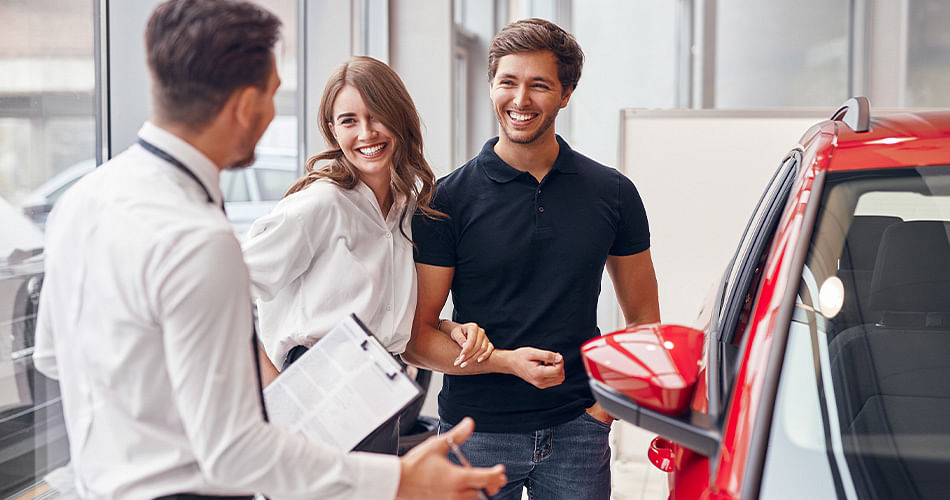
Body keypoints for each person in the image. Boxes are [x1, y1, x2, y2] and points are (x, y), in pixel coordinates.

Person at [32, 1, 505, 499]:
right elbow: (234, 449)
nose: (273, 112)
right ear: (244, 104)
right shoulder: (199, 239)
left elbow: (52, 358)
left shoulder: (80, 199)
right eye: (274, 93)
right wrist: (401, 481)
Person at [404, 18, 660, 500]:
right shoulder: (446, 200)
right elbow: (417, 338)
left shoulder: (614, 193)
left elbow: (644, 320)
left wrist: (603, 410)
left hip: (578, 432)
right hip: (473, 435)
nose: (520, 100)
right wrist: (503, 362)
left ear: (565, 94)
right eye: (508, 82)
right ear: (492, 86)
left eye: (539, 85)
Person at [241, 56, 494, 454]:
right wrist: (275, 390)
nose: (366, 133)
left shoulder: (407, 209)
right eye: (348, 121)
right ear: (331, 130)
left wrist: (447, 329)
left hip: (381, 390)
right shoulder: (319, 206)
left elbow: (388, 314)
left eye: (377, 116)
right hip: (317, 389)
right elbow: (224, 291)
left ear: (399, 118)